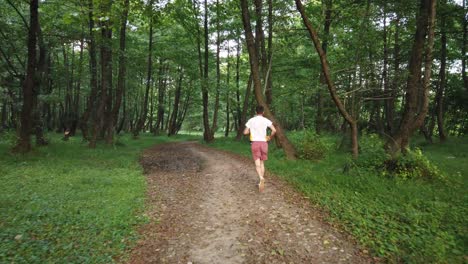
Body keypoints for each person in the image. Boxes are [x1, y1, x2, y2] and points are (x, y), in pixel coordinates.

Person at [243, 105, 276, 192]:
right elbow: (274, 130)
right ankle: (261, 180)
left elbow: (245, 132)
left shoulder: (251, 120)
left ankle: (261, 178)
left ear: (256, 112)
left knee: (257, 163)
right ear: (263, 112)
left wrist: (251, 130)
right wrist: (270, 137)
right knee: (262, 163)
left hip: (255, 143)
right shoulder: (266, 120)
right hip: (264, 143)